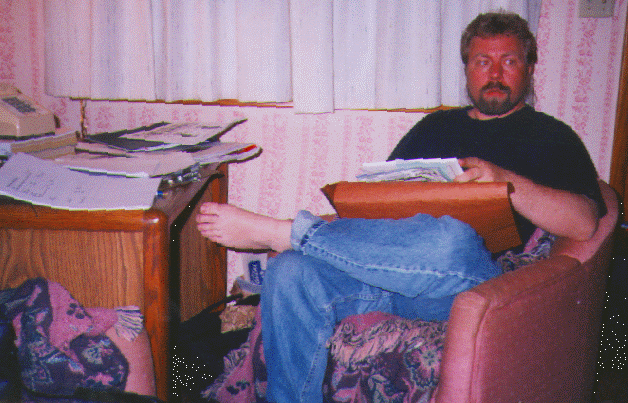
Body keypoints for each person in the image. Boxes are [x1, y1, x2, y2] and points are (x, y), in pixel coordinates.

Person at [196, 11, 606, 403]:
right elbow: (378, 207)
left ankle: (290, 232)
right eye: (483, 61)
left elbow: (585, 222)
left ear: (529, 69)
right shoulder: (435, 127)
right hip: (386, 277)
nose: (495, 73)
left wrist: (505, 184)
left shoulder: (552, 136)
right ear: (467, 69)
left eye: (509, 61)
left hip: (466, 284)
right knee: (288, 271)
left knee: (450, 236)